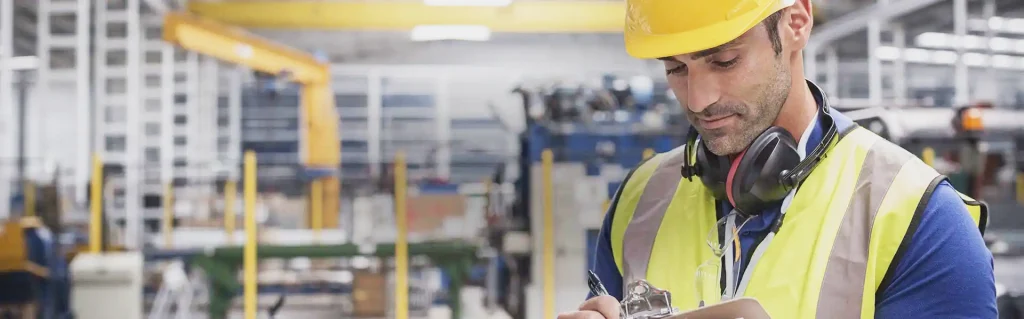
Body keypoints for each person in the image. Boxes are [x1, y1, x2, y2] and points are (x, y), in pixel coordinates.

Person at [558, 0, 997, 318]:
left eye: (725, 61)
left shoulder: (918, 219)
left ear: (796, 23)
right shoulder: (639, 201)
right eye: (676, 68)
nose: (698, 98)